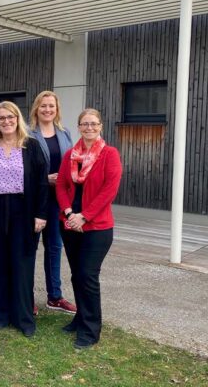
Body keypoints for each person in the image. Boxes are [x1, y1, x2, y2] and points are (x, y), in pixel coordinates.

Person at [0, 101, 49, 337]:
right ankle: (2, 315)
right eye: (1, 118)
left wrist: (41, 214)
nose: (6, 122)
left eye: (10, 117)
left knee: (22, 264)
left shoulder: (32, 146)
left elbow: (42, 183)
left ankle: (23, 318)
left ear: (18, 119)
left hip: (23, 211)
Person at [56, 108, 122, 349]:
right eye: (85, 124)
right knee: (77, 275)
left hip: (97, 227)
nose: (89, 128)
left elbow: (109, 191)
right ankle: (81, 317)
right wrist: (68, 213)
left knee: (87, 275)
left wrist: (85, 216)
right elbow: (62, 185)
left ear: (100, 126)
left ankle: (91, 331)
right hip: (70, 223)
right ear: (79, 127)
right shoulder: (70, 155)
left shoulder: (109, 154)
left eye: (94, 124)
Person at [29, 91, 77, 314]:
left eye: (51, 106)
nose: (47, 110)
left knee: (55, 248)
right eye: (43, 106)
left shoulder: (65, 133)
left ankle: (54, 296)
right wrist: (45, 178)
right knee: (29, 248)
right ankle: (26, 296)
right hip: (36, 199)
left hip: (58, 201)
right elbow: (24, 168)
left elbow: (73, 162)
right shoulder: (28, 135)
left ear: (57, 109)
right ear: (36, 109)